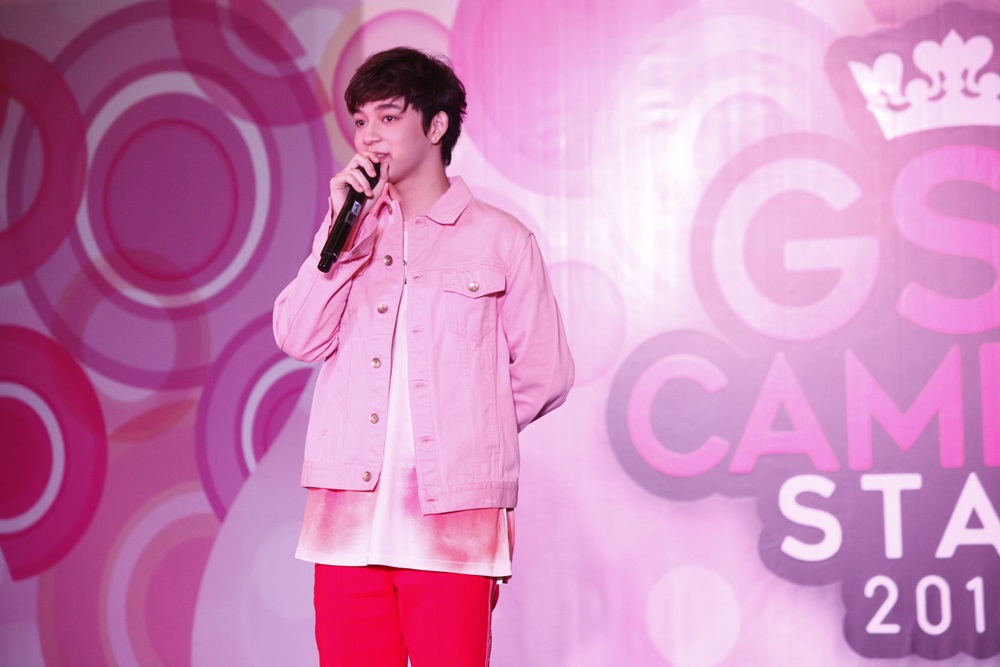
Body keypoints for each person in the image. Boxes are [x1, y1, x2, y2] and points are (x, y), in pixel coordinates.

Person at [273, 46, 574, 666]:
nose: (369, 136)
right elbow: (297, 337)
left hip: (452, 527)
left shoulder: (502, 239)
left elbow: (546, 374)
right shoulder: (348, 238)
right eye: (361, 121)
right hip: (347, 524)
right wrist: (340, 237)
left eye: (388, 117)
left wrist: (467, 428)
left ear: (436, 126)